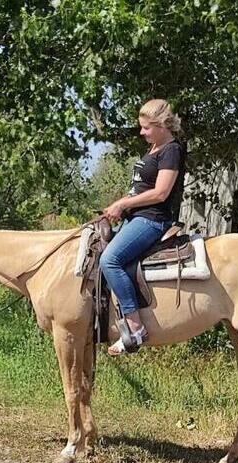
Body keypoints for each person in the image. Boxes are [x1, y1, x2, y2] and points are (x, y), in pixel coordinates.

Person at [100, 99, 185, 355]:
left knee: (110, 260)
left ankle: (135, 328)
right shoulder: (154, 148)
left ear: (161, 125)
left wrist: (123, 203)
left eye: (146, 127)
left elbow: (160, 193)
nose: (141, 132)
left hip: (153, 219)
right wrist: (122, 209)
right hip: (136, 217)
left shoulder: (171, 150)